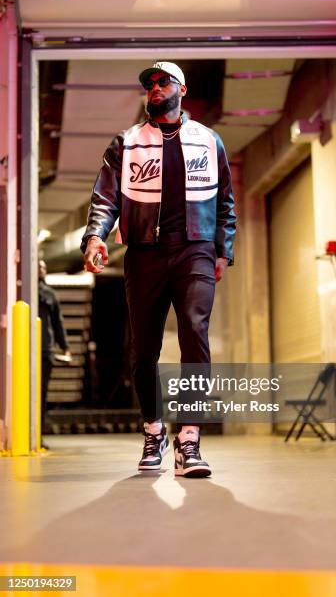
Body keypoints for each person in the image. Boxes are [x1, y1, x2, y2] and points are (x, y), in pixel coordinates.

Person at [81, 61, 236, 478]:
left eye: (162, 81)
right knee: (144, 349)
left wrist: (223, 250)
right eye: (149, 83)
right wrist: (95, 236)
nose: (154, 86)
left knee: (193, 332)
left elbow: (225, 201)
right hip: (144, 253)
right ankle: (154, 429)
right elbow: (105, 198)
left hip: (195, 250)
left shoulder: (208, 140)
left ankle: (189, 440)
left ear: (181, 89)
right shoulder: (127, 142)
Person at [38, 259, 71, 446]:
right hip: (26, 350)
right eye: (38, 267)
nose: (41, 270)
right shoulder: (22, 292)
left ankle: (38, 435)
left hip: (46, 350)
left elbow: (57, 323)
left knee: (41, 394)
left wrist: (64, 346)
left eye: (43, 267)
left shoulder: (50, 295)